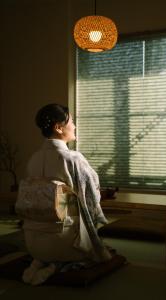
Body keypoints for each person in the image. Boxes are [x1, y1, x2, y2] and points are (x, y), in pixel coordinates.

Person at [15, 103, 111, 285]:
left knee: (46, 246)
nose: (74, 126)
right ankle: (56, 265)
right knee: (92, 251)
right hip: (63, 240)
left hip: (32, 239)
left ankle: (40, 261)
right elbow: (92, 198)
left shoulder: (33, 158)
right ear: (58, 128)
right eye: (72, 121)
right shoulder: (73, 158)